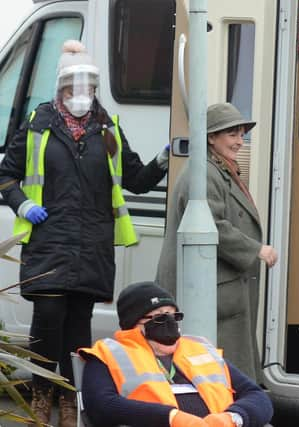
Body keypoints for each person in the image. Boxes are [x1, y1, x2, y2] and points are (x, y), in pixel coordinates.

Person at [0, 40, 169, 426]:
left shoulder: (107, 129)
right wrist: (23, 204)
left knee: (78, 327)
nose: (83, 95)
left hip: (91, 245)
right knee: (47, 318)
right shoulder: (38, 122)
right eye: (75, 86)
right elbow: (5, 175)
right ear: (60, 88)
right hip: (49, 242)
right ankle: (43, 398)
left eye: (89, 87)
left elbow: (136, 179)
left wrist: (163, 158)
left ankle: (70, 403)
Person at [157, 103, 277, 381]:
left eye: (241, 135)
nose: (239, 142)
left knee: (225, 369)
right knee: (216, 373)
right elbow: (214, 226)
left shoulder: (217, 170)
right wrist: (256, 249)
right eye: (232, 134)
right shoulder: (204, 173)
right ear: (211, 137)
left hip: (220, 289)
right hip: (211, 291)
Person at [79, 281, 273, 427]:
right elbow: (101, 406)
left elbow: (257, 395)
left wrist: (233, 417)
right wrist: (172, 418)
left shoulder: (201, 349)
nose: (170, 323)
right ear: (134, 322)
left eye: (174, 316)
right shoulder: (109, 354)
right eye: (160, 317)